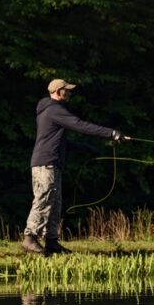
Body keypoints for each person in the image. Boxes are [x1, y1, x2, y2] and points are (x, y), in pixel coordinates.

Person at [22, 78, 127, 255]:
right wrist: (111, 132)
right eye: (67, 90)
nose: (69, 92)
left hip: (51, 163)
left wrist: (86, 149)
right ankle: (30, 238)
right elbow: (80, 125)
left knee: (55, 204)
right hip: (45, 164)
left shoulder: (50, 111)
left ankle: (52, 242)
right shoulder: (55, 110)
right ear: (57, 91)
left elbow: (59, 141)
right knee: (43, 200)